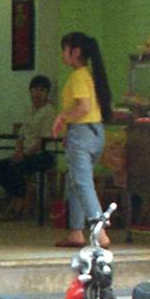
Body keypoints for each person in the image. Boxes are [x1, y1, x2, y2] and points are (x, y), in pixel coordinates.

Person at [50, 32, 111, 247]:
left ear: (74, 52)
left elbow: (83, 107)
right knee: (75, 182)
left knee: (83, 183)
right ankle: (76, 232)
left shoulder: (78, 76)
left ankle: (99, 230)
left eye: (64, 49)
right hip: (95, 133)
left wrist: (62, 117)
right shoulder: (89, 75)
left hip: (82, 134)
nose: (62, 54)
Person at [0, 75, 58, 218]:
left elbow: (43, 141)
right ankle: (17, 198)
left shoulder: (50, 111)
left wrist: (24, 155)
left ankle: (18, 205)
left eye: (41, 90)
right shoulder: (28, 110)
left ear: (47, 93)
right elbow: (21, 136)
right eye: (34, 90)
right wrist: (18, 151)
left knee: (16, 168)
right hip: (25, 153)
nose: (37, 93)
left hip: (43, 154)